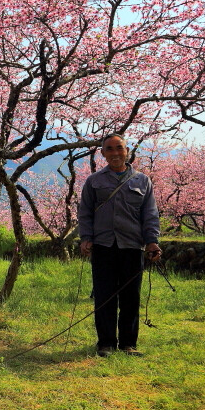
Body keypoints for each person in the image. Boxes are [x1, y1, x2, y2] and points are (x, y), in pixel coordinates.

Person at [78, 134, 162, 357]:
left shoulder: (142, 181)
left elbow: (150, 214)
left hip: (132, 246)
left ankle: (128, 344)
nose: (115, 153)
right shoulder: (94, 181)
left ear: (127, 151)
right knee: (104, 295)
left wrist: (152, 241)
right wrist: (85, 238)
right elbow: (85, 212)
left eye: (119, 148)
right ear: (103, 153)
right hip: (103, 245)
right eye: (109, 149)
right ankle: (106, 344)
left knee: (131, 297)